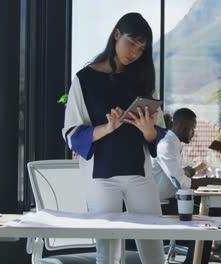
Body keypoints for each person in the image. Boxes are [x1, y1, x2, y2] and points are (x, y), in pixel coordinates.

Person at [62, 13, 164, 264]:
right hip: (101, 178)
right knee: (107, 256)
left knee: (154, 253)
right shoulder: (84, 79)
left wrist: (148, 130)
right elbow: (71, 134)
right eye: (132, 43)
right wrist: (107, 128)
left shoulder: (141, 78)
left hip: (140, 176)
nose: (135, 53)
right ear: (116, 34)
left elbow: (156, 134)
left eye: (141, 49)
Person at [151, 108, 221, 264]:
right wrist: (211, 181)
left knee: (209, 217)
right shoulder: (166, 145)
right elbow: (183, 184)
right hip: (160, 205)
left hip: (172, 200)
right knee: (205, 226)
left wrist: (205, 177)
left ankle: (198, 259)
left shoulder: (173, 144)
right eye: (193, 128)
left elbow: (183, 175)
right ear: (184, 127)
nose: (193, 133)